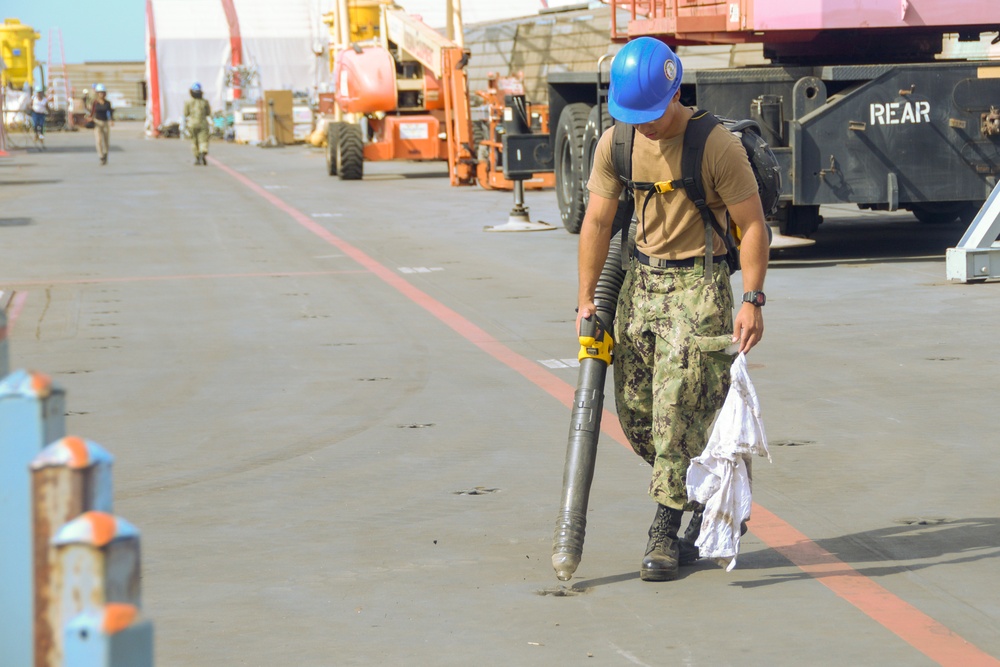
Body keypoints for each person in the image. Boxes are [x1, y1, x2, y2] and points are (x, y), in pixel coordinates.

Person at [576, 37, 770, 582]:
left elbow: (753, 226)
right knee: (639, 415)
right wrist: (587, 299)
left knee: (677, 407)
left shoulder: (715, 146)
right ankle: (706, 489)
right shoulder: (616, 144)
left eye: (653, 114)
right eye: (633, 115)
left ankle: (664, 528)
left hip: (698, 284)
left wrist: (752, 298)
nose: (645, 125)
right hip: (639, 282)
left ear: (676, 93)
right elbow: (596, 223)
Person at [182, 82, 212, 165]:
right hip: (203, 123)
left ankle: (197, 157)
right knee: (203, 140)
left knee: (194, 141)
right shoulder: (205, 102)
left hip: (191, 124)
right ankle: (203, 151)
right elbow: (208, 112)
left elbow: (185, 113)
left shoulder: (188, 102)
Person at [87, 83, 114, 165]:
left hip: (105, 122)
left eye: (102, 92)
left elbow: (110, 112)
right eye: (99, 92)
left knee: (106, 141)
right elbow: (92, 112)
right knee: (98, 140)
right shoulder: (95, 103)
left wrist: (111, 120)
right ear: (97, 94)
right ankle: (101, 156)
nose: (101, 94)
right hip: (97, 122)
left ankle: (106, 153)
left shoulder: (107, 103)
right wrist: (90, 118)